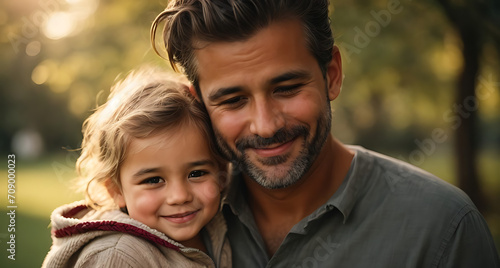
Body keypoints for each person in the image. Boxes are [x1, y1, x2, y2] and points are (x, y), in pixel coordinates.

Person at [151, 0, 500, 267]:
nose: (266, 125)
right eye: (233, 100)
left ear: (331, 74)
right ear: (199, 104)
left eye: (286, 88)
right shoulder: (165, 218)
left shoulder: (444, 228)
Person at [42, 68, 231, 268]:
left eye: (196, 173)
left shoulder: (219, 228)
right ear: (115, 190)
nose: (179, 196)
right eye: (153, 180)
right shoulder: (116, 258)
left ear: (221, 173)